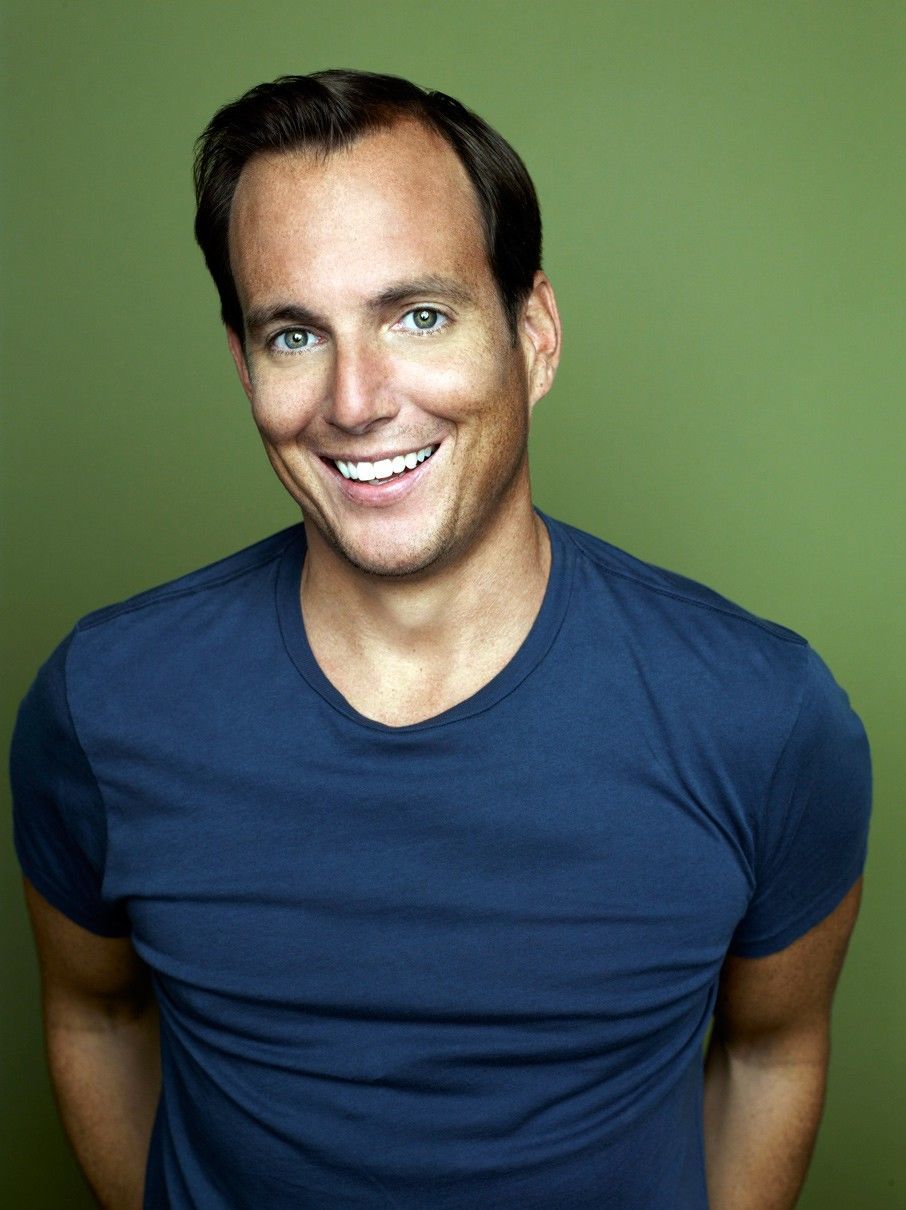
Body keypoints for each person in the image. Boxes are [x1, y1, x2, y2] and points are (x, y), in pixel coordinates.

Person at [11, 70, 871, 1210]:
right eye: (294, 335)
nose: (356, 401)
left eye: (419, 316)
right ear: (243, 365)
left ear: (535, 334)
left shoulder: (764, 716)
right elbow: (95, 1015)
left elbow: (771, 1054)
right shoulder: (103, 704)